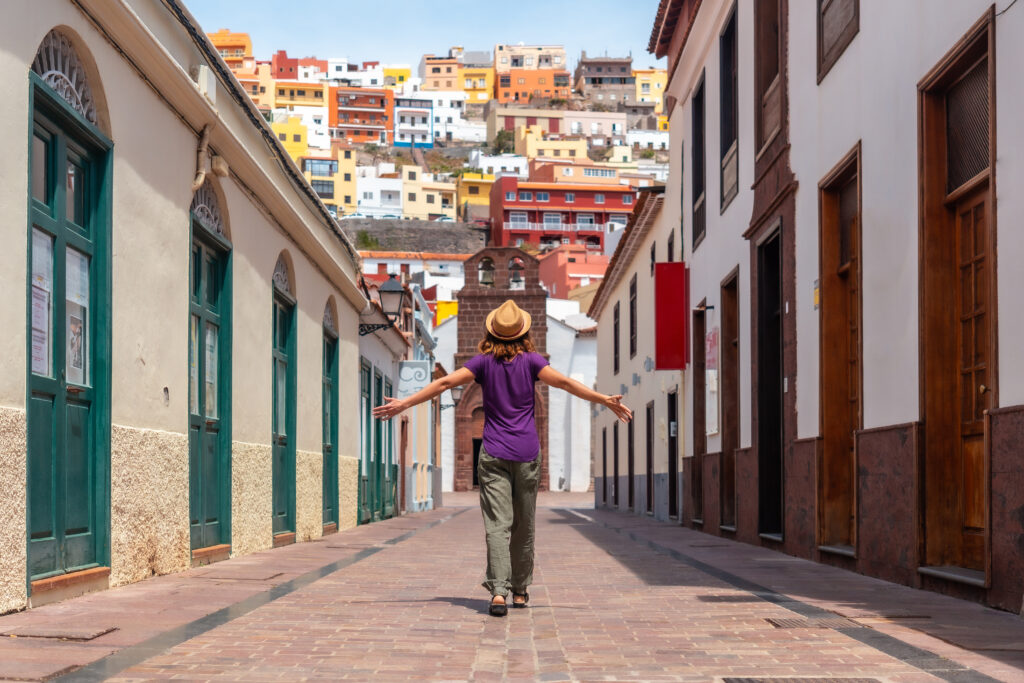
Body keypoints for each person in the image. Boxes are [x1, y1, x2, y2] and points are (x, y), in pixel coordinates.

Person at [373, 299, 633, 616]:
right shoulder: (533, 362)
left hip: (493, 452)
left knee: (497, 526)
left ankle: (498, 592)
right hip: (527, 453)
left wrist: (404, 404)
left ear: (492, 332)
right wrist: (603, 399)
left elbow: (443, 382)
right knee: (524, 526)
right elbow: (565, 383)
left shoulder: (482, 364)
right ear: (523, 333)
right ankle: (520, 590)